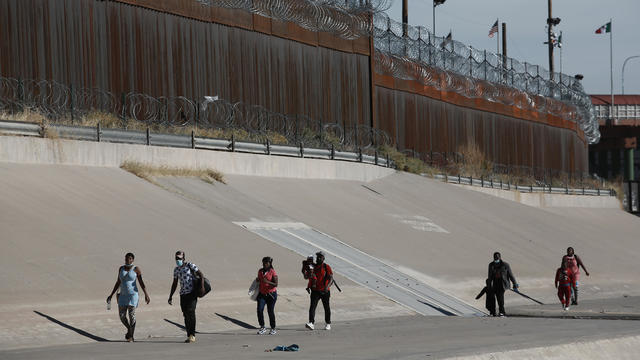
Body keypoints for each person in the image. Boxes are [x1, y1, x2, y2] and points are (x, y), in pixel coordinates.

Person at [107, 252, 150, 342]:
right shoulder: (121, 268)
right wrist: (111, 295)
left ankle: (131, 336)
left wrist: (146, 294)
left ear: (133, 260)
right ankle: (129, 330)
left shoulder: (136, 269)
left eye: (130, 258)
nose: (128, 260)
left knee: (131, 315)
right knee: (122, 316)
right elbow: (118, 282)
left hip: (133, 295)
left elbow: (141, 282)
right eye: (126, 258)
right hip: (123, 295)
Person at [168, 251, 205, 343]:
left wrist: (202, 287)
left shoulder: (190, 265)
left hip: (192, 293)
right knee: (185, 315)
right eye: (176, 258)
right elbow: (175, 283)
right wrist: (170, 296)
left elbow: (201, 275)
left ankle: (192, 335)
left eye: (179, 258)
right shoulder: (176, 270)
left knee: (191, 312)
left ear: (184, 258)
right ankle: (189, 335)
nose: (178, 260)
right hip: (183, 294)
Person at [305, 251, 333, 330]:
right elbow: (307, 277)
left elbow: (331, 278)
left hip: (325, 291)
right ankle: (311, 323)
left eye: (320, 257)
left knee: (326, 307)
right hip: (315, 290)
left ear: (323, 258)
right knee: (312, 307)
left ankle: (328, 323)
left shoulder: (326, 267)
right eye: (317, 257)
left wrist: (327, 287)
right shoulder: (313, 266)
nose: (318, 258)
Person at [486, 252, 518, 317]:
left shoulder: (505, 265)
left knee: (500, 298)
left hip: (502, 284)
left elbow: (510, 275)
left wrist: (515, 284)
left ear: (500, 257)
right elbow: (490, 276)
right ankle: (493, 312)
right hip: (494, 283)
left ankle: (502, 312)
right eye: (495, 257)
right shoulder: (491, 265)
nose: (496, 258)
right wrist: (489, 285)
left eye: (497, 257)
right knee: (492, 298)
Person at [256, 256, 278, 335]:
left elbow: (276, 284)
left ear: (270, 264)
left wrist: (268, 282)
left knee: (270, 311)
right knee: (259, 310)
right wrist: (258, 279)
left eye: (266, 263)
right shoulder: (260, 271)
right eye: (264, 263)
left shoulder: (272, 272)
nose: (265, 264)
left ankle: (273, 328)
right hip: (262, 294)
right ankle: (262, 327)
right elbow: (259, 279)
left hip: (271, 295)